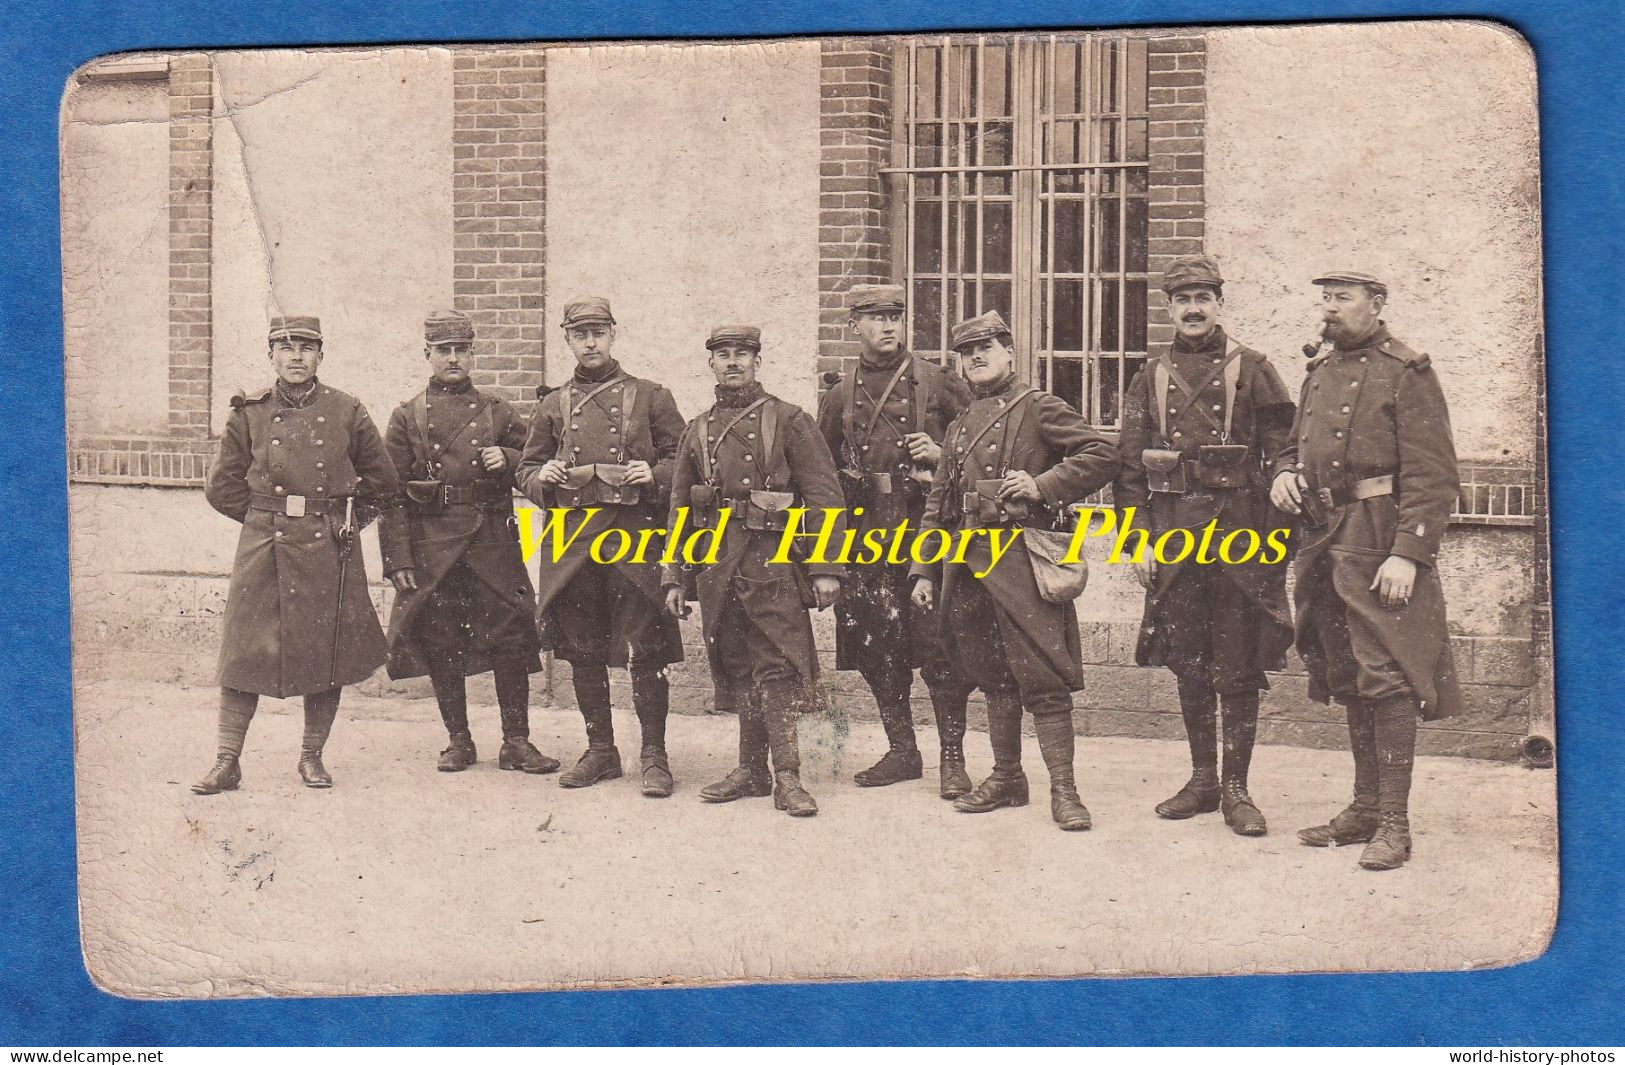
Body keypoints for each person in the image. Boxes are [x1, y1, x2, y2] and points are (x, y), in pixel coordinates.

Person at [1269, 270, 1462, 870]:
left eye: (1342, 298)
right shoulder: (1319, 372)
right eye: (1324, 298)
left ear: (1376, 305)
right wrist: (1281, 473)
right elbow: (1291, 444)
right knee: (1347, 670)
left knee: (1386, 673)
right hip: (1325, 537)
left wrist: (1409, 551)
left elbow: (1434, 475)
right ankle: (1364, 808)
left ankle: (1395, 825)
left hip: (1378, 540)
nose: (1329, 308)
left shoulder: (1407, 372)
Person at [909, 311, 1119, 831]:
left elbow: (1102, 453)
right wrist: (923, 571)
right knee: (991, 676)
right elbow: (938, 503)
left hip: (1023, 564)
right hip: (967, 567)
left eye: (987, 347)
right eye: (966, 352)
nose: (977, 358)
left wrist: (1044, 486)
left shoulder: (1039, 407)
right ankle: (1006, 777)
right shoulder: (957, 426)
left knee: (1043, 677)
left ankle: (1065, 793)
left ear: (1009, 353)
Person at [1113, 255, 1296, 836]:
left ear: (1220, 303)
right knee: (1189, 663)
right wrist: (1134, 538)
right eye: (1183, 299)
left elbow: (1283, 452)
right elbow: (1129, 470)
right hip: (1173, 541)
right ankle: (1202, 780)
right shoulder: (1150, 375)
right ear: (1170, 309)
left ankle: (1239, 790)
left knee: (1237, 666)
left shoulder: (1255, 368)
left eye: (1204, 297)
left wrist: (1274, 540)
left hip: (1239, 539)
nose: (1194, 308)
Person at [194, 315, 411, 794]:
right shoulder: (248, 412)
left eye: (306, 348)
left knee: (325, 652)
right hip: (263, 545)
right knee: (244, 650)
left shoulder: (347, 410)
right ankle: (227, 760)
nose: (296, 357)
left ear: (320, 355)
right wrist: (263, 519)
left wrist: (344, 522)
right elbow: (222, 487)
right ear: (271, 354)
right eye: (286, 347)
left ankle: (311, 757)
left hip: (327, 544)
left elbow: (384, 482)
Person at [662, 325, 845, 818]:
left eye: (742, 353)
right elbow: (680, 506)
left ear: (757, 360)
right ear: (712, 364)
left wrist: (827, 566)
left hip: (774, 562)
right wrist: (675, 575)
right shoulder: (696, 429)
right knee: (740, 665)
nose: (733, 362)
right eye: (723, 354)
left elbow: (826, 497)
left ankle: (787, 775)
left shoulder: (789, 420)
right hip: (717, 564)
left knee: (777, 666)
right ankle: (751, 770)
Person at [516, 297, 688, 797]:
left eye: (598, 333)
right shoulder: (552, 404)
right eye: (580, 334)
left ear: (614, 334)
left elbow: (685, 458)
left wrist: (653, 472)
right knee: (581, 650)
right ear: (567, 340)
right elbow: (527, 467)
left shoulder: (652, 396)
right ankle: (601, 750)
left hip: (633, 541)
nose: (590, 343)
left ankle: (654, 755)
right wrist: (540, 477)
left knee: (645, 649)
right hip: (572, 544)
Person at [815, 283, 976, 796]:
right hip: (865, 537)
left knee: (938, 648)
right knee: (877, 646)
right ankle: (903, 750)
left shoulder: (939, 382)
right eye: (875, 317)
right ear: (853, 326)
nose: (887, 326)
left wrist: (942, 453)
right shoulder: (840, 393)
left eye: (895, 316)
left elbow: (984, 444)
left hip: (922, 531)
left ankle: (953, 758)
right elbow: (821, 474)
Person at [382, 310, 558, 775]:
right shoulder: (406, 417)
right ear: (429, 355)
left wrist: (511, 454)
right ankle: (458, 740)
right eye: (444, 351)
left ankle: (516, 742)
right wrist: (397, 556)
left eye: (461, 350)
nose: (454, 358)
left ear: (472, 353)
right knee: (442, 642)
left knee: (510, 639)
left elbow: (540, 463)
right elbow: (389, 492)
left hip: (492, 542)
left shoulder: (498, 411)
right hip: (433, 545)